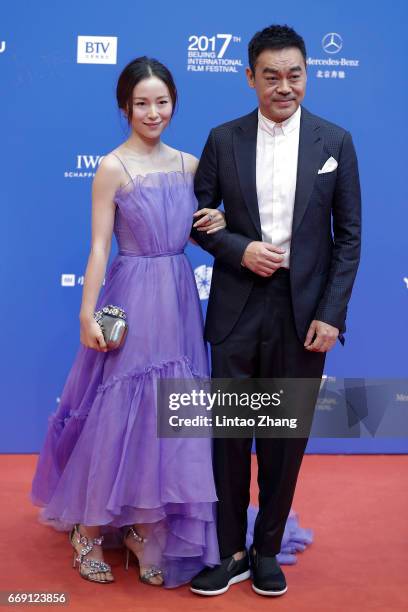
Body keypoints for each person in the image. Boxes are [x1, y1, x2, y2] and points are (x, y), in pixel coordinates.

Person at [30, 56, 226, 587]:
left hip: (179, 292)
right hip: (133, 294)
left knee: (172, 411)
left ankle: (145, 528)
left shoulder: (188, 164)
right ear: (125, 108)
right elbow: (98, 246)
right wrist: (85, 310)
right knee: (124, 408)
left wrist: (216, 219)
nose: (153, 111)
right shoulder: (113, 166)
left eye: (162, 101)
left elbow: (191, 228)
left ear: (174, 104)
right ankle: (89, 530)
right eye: (142, 103)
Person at [190, 24, 361, 597]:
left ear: (306, 75)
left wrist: (332, 313)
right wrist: (241, 249)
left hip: (304, 312)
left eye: (294, 75)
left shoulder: (334, 142)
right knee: (232, 437)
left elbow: (349, 237)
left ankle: (267, 549)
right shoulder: (223, 138)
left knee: (286, 439)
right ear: (250, 78)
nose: (284, 86)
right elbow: (200, 219)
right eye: (272, 76)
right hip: (239, 307)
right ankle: (230, 550)